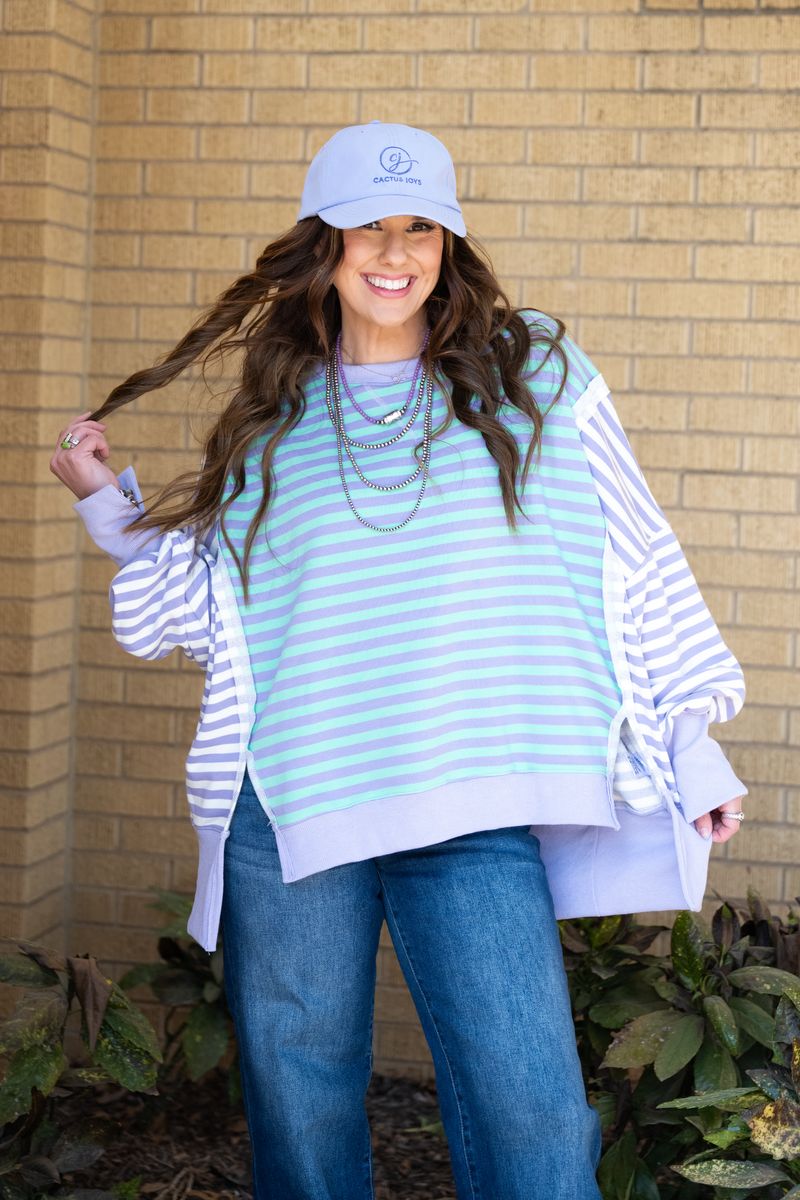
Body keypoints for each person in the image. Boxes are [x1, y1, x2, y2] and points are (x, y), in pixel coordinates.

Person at [51, 121, 748, 1200]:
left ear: (447, 243)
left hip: (470, 798)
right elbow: (201, 614)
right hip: (290, 802)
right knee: (300, 1106)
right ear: (322, 245)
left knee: (531, 1116)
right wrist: (108, 506)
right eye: (366, 226)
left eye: (420, 226)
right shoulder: (275, 415)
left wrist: (689, 737)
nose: (394, 252)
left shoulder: (535, 376)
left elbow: (634, 550)